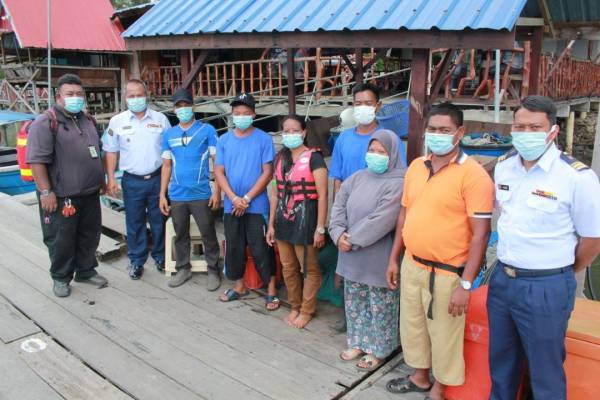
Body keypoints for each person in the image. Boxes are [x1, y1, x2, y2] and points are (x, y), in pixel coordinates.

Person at [488, 95, 600, 400]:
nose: (526, 133)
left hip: (546, 286)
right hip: (502, 281)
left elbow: (592, 239)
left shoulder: (576, 177)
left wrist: (562, 271)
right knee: (501, 364)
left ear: (552, 130)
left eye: (534, 127)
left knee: (545, 372)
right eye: (520, 126)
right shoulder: (505, 167)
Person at [385, 103, 494, 400]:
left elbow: (481, 235)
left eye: (444, 130)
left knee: (445, 333)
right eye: (432, 129)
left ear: (460, 132)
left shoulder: (473, 176)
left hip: (448, 272)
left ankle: (440, 387)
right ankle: (419, 376)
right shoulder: (416, 167)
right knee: (413, 325)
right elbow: (404, 215)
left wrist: (466, 284)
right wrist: (394, 258)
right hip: (412, 263)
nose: (437, 135)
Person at [26, 73, 108, 297]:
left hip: (90, 193)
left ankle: (86, 270)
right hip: (62, 196)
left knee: (89, 235)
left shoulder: (87, 119)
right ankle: (61, 277)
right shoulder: (46, 122)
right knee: (61, 238)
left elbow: (96, 151)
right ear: (58, 96)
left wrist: (101, 180)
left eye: (79, 94)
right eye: (70, 94)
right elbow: (36, 161)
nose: (75, 98)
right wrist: (46, 191)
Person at [329, 129, 404, 371]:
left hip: (377, 259)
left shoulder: (399, 182)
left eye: (381, 151)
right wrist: (338, 233)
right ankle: (359, 342)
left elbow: (383, 218)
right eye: (371, 150)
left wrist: (352, 239)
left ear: (392, 154)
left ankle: (379, 349)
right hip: (351, 256)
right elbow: (338, 205)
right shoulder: (357, 177)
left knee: (380, 306)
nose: (375, 155)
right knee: (355, 302)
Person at [215, 93, 279, 310]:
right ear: (232, 115)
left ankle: (271, 289)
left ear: (253, 114)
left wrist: (246, 198)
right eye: (237, 113)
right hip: (231, 204)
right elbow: (219, 172)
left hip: (256, 204)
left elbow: (267, 172)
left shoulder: (263, 139)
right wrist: (233, 198)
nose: (241, 117)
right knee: (234, 246)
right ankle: (239, 285)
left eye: (245, 113)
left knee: (260, 247)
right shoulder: (223, 140)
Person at [103, 79, 171, 280]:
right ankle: (137, 260)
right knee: (134, 222)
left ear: (146, 95)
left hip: (157, 179)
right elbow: (111, 151)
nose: (136, 99)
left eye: (139, 94)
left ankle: (160, 256)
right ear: (125, 98)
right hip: (131, 181)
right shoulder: (117, 121)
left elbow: (169, 151)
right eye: (131, 96)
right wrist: (110, 179)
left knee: (159, 220)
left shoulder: (160, 119)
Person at [266, 114, 328, 329]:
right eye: (286, 131)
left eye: (295, 130)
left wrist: (320, 228)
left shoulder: (315, 158)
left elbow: (322, 195)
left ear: (304, 132)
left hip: (307, 219)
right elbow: (275, 193)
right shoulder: (279, 158)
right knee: (288, 266)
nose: (290, 134)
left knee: (309, 268)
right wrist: (271, 224)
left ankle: (306, 310)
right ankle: (294, 305)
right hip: (284, 218)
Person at [158, 88, 222, 290]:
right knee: (181, 234)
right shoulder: (169, 134)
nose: (183, 109)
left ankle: (213, 269)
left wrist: (217, 191)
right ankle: (183, 268)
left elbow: (217, 162)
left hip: (201, 193)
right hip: (177, 194)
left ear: (193, 106)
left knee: (208, 232)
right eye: (179, 106)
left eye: (186, 105)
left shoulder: (207, 130)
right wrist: (162, 194)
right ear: (174, 109)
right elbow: (166, 166)